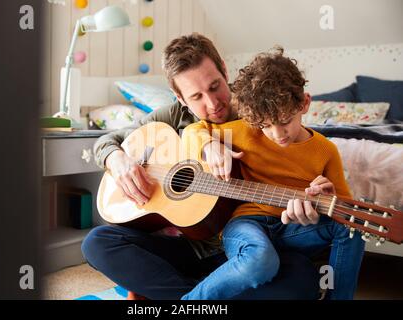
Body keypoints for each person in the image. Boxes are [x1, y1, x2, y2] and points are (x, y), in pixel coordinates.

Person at [81, 33, 320, 300]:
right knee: (97, 243)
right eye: (196, 96)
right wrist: (117, 159)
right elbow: (107, 140)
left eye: (215, 86)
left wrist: (305, 201)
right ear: (180, 97)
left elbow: (300, 159)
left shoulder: (259, 110)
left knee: (303, 278)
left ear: (224, 70)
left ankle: (190, 295)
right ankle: (201, 296)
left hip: (247, 251)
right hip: (187, 250)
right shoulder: (171, 117)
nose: (212, 103)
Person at [181, 46, 365, 300]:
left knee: (353, 226)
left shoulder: (326, 150)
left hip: (293, 229)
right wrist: (209, 145)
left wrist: (328, 199)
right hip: (247, 224)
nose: (278, 134)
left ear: (304, 103)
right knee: (260, 260)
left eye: (284, 120)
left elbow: (343, 210)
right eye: (266, 126)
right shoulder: (246, 131)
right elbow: (191, 132)